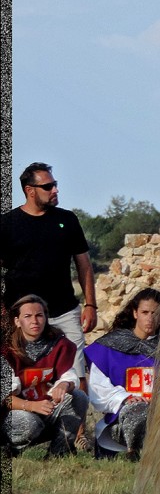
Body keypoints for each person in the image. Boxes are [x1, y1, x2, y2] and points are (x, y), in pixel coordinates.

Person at [1, 163, 97, 383]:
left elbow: (84, 265)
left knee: (77, 376)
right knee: (19, 378)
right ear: (30, 190)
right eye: (48, 186)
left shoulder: (67, 220)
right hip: (21, 316)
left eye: (55, 184)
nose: (55, 190)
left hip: (64, 310)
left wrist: (91, 305)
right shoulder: (7, 224)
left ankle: (76, 418)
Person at [2, 294, 89, 457]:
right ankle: (11, 450)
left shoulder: (59, 344)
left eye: (39, 315)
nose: (34, 321)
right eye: (27, 316)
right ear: (17, 321)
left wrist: (64, 385)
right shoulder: (6, 350)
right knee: (28, 423)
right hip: (16, 413)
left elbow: (69, 375)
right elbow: (4, 398)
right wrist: (32, 406)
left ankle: (60, 451)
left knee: (79, 397)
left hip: (46, 409)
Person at [83, 288, 160, 460]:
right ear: (135, 313)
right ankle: (132, 455)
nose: (150, 318)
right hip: (120, 420)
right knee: (138, 411)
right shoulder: (109, 346)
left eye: (155, 313)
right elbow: (98, 390)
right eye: (145, 312)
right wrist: (125, 398)